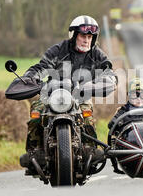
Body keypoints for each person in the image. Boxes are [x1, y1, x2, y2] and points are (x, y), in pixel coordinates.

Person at [20, 15, 117, 168]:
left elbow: (107, 70)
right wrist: (30, 78)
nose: (86, 40)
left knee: (87, 115)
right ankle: (35, 152)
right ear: (73, 35)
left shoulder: (96, 54)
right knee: (36, 113)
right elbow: (42, 67)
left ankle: (89, 149)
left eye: (90, 37)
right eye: (83, 36)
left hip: (81, 95)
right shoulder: (58, 50)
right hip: (53, 94)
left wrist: (107, 81)